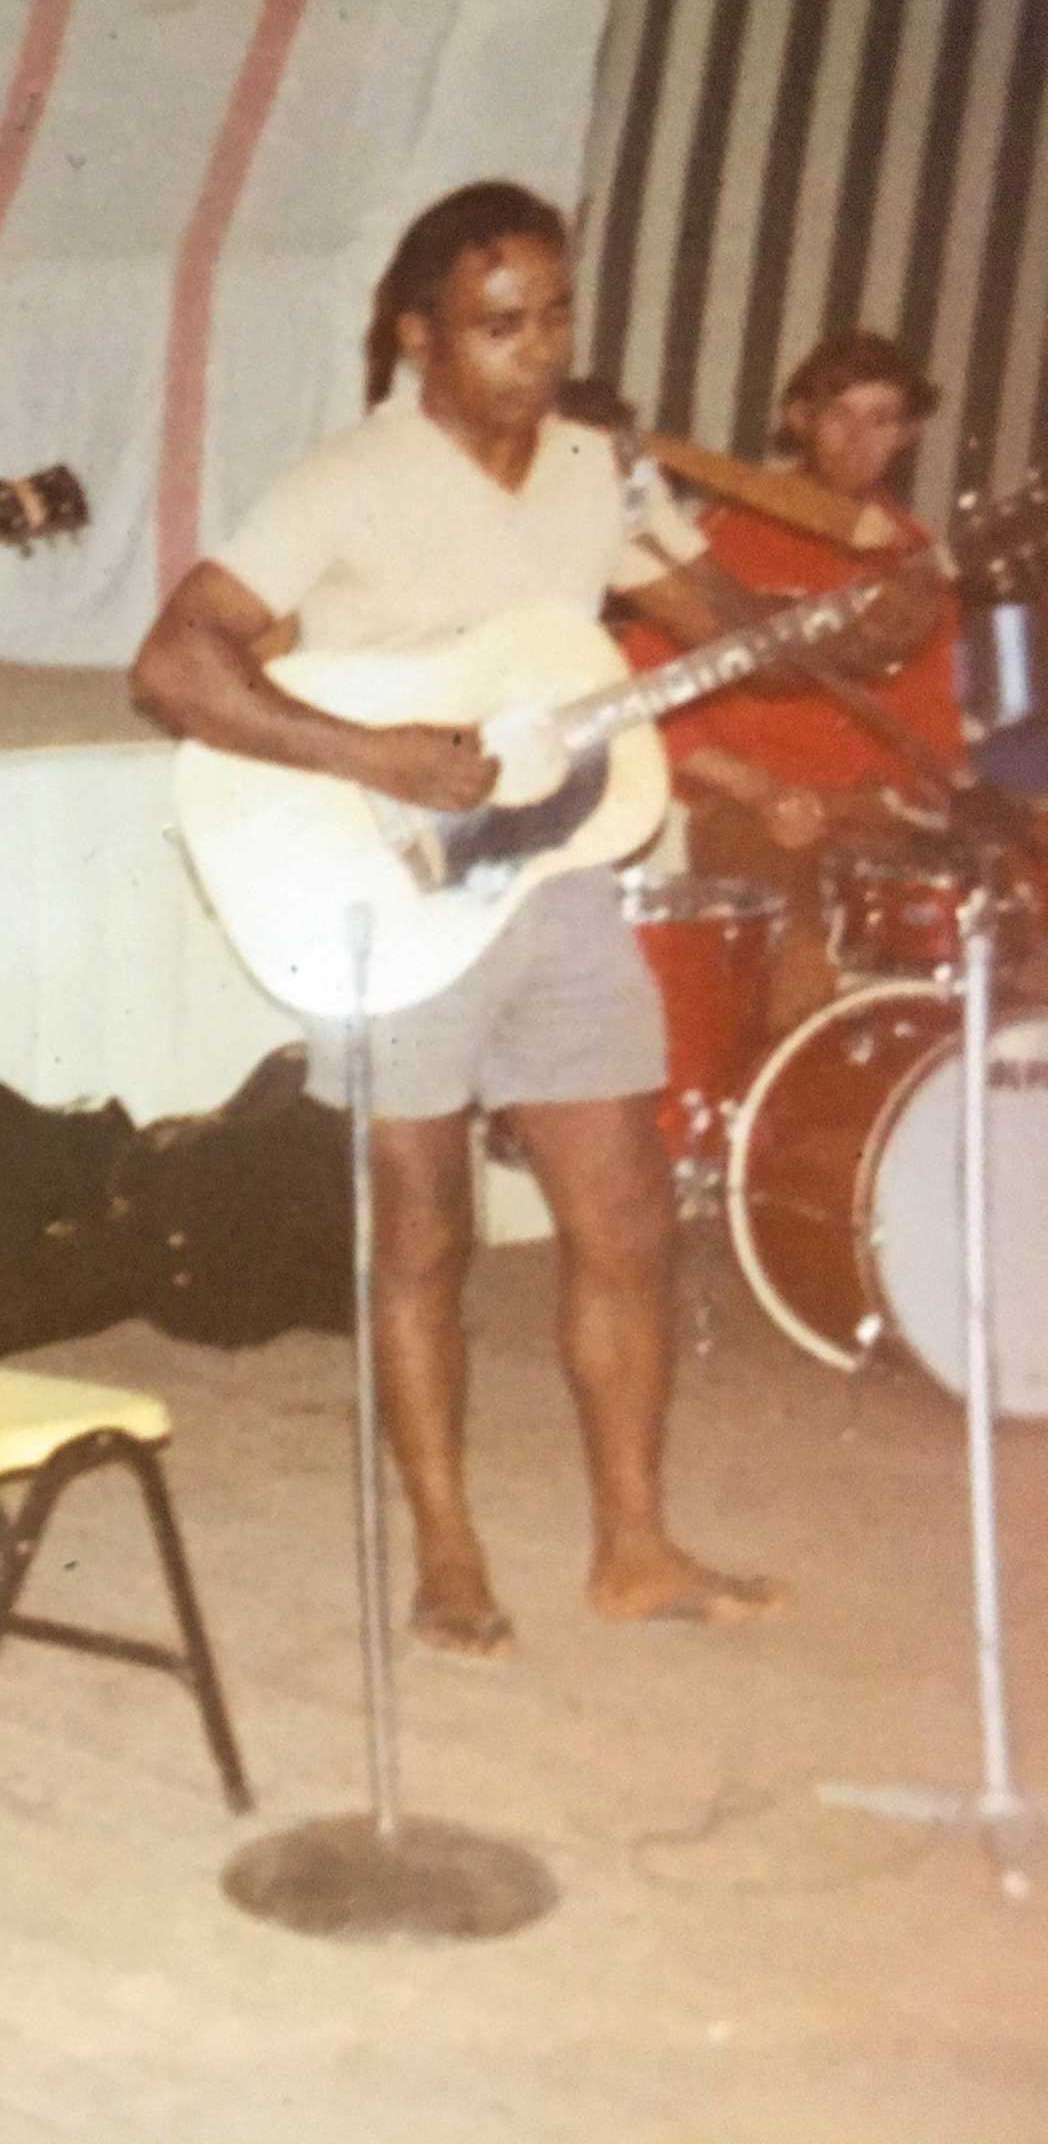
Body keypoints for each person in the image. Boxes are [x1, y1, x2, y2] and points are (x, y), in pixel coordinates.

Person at [126, 182, 922, 1657]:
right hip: (384, 876)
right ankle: (447, 1543)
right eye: (500, 325)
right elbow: (173, 667)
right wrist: (379, 757)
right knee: (423, 1229)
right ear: (422, 335)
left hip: (556, 883)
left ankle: (633, 1545)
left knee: (623, 1219)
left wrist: (848, 632)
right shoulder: (343, 482)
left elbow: (730, 635)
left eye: (555, 315)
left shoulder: (598, 475)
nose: (537, 350)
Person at [623, 331, 965, 1028]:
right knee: (805, 952)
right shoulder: (718, 539)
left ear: (906, 435)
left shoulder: (917, 559)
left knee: (986, 934)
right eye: (839, 414)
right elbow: (648, 698)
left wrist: (906, 804)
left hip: (873, 826)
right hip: (753, 817)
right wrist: (765, 791)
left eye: (881, 420)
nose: (857, 439)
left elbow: (936, 732)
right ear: (798, 419)